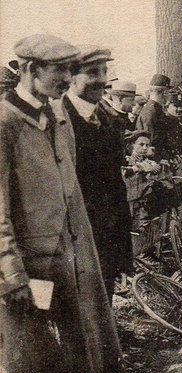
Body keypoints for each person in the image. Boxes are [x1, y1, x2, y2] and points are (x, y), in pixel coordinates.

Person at [0, 34, 129, 373]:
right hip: (29, 264)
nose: (67, 78)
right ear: (31, 69)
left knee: (80, 350)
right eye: (60, 70)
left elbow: (70, 192)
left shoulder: (59, 119)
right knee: (26, 362)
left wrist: (85, 252)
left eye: (72, 69)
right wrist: (10, 273)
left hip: (71, 255)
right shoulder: (5, 122)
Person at [63, 46, 133, 305]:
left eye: (104, 71)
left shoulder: (108, 117)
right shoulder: (58, 116)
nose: (101, 80)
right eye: (92, 72)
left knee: (103, 304)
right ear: (71, 77)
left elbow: (116, 184)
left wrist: (123, 247)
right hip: (71, 232)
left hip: (106, 231)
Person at [136, 73, 173, 159]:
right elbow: (148, 141)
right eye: (168, 92)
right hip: (154, 159)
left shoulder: (156, 109)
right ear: (165, 92)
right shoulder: (151, 111)